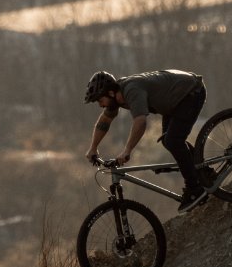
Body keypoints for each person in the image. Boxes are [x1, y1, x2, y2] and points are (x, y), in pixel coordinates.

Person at [83, 68, 209, 212]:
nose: (101, 105)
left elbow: (140, 122)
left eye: (100, 100)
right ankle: (204, 171)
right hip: (174, 101)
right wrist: (93, 148)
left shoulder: (131, 90)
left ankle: (195, 189)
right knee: (168, 140)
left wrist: (127, 150)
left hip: (191, 92)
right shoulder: (116, 98)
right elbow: (105, 121)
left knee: (173, 141)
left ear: (110, 93)